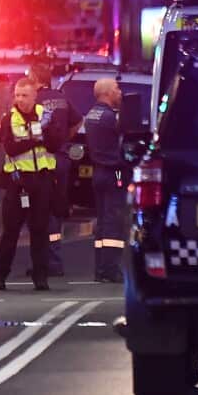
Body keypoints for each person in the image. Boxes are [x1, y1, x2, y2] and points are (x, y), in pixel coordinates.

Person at [0, 78, 58, 291]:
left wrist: (41, 137)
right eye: (17, 95)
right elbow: (10, 148)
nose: (20, 99)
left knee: (40, 230)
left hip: (42, 180)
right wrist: (35, 140)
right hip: (18, 182)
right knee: (10, 231)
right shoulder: (8, 119)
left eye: (25, 95)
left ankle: (41, 277)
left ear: (35, 95)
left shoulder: (46, 115)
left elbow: (56, 143)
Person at [30, 61, 82, 277]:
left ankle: (44, 263)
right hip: (62, 159)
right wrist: (63, 139)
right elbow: (78, 121)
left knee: (40, 211)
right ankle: (55, 262)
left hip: (44, 161)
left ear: (35, 79)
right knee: (56, 210)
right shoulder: (61, 97)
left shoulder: (35, 101)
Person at [84, 78, 126, 283]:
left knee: (101, 220)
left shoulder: (91, 115)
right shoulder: (111, 118)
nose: (120, 92)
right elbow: (122, 145)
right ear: (107, 92)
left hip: (98, 171)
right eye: (117, 89)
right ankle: (111, 269)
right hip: (114, 173)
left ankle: (100, 268)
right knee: (113, 220)